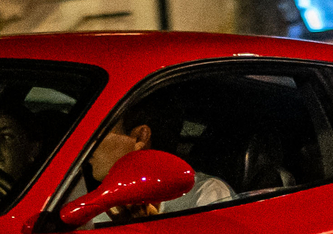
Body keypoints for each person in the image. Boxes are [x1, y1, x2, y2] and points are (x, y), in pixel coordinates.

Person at [82, 87, 234, 223]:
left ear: (140, 137)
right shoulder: (99, 206)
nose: (85, 143)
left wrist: (146, 227)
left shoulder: (204, 194)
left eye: (98, 132)